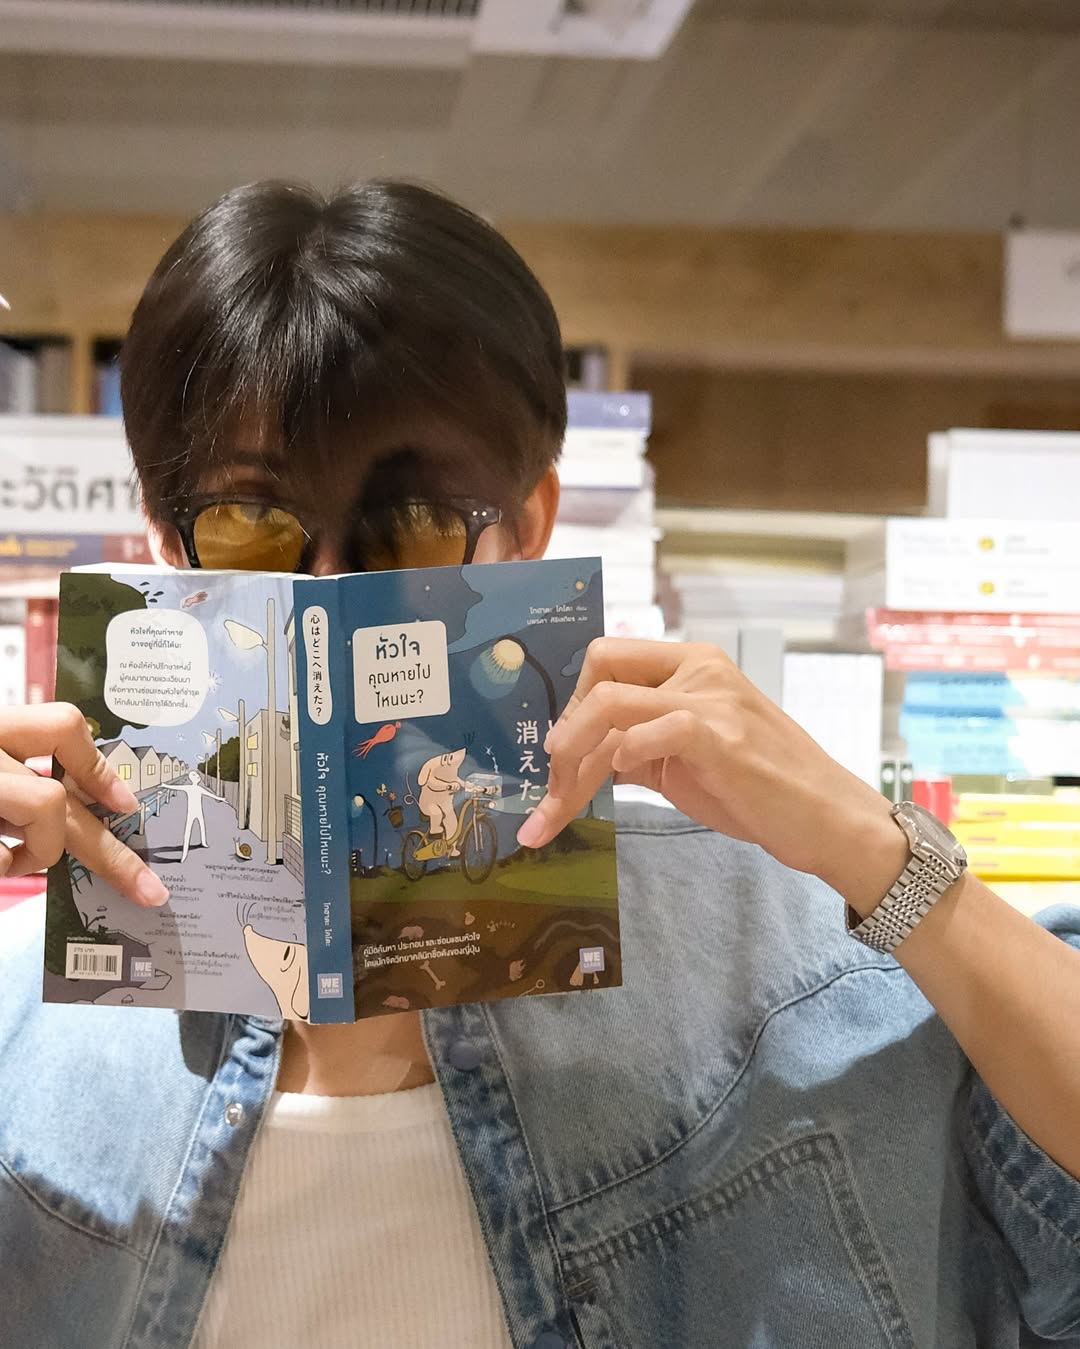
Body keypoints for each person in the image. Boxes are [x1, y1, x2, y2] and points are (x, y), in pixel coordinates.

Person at [1, 180, 1079, 1349]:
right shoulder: (32, 1016)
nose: (329, 593)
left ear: (530, 523)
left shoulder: (778, 946)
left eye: (411, 523)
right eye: (249, 527)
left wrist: (875, 847)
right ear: (163, 540)